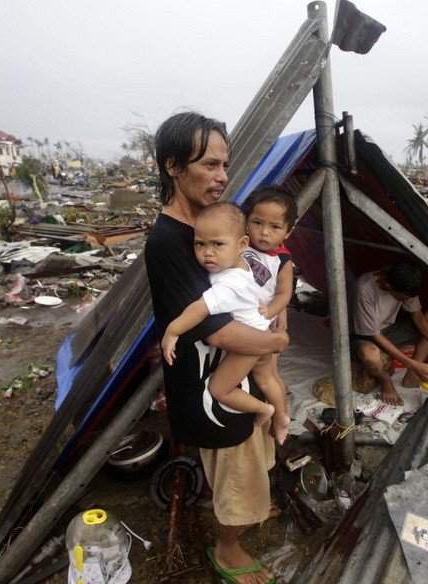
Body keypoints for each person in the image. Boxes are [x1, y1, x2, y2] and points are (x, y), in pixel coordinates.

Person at [145, 112, 284, 584]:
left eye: (225, 165)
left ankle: (242, 519)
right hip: (208, 387)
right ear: (173, 166)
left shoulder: (204, 228)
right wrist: (276, 341)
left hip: (234, 374)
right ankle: (227, 548)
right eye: (209, 165)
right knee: (236, 475)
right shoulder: (169, 240)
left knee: (248, 462)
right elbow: (218, 332)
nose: (222, 177)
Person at [160, 202, 290, 445]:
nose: (208, 252)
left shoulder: (229, 283)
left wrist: (172, 329)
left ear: (242, 244)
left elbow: (199, 308)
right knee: (267, 378)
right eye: (200, 244)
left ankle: (263, 410)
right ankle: (282, 417)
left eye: (217, 244)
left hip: (249, 343)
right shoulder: (239, 265)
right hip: (260, 334)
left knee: (219, 389)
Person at [350, 263, 428, 405]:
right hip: (363, 335)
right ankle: (386, 380)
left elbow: (417, 315)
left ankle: (411, 377)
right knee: (370, 353)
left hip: (388, 328)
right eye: (402, 298)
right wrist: (411, 363)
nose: (406, 301)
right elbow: (374, 335)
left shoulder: (403, 279)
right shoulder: (363, 289)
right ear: (388, 286)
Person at [242, 186, 298, 422]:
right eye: (257, 222)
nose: (264, 233)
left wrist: (272, 312)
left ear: (288, 231)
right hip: (245, 322)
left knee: (268, 373)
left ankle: (279, 414)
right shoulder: (241, 245)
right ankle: (274, 411)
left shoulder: (282, 260)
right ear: (246, 221)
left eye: (274, 227)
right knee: (261, 373)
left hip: (264, 324)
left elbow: (284, 294)